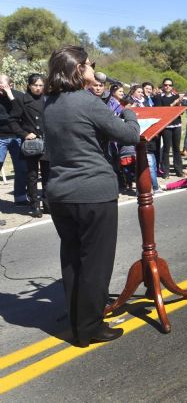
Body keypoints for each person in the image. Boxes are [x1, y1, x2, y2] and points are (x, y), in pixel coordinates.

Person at [43, 46, 140, 347]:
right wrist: (130, 113)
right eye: (89, 64)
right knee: (96, 264)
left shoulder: (50, 102)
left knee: (72, 260)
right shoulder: (87, 101)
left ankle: (77, 323)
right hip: (92, 192)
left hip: (60, 193)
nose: (93, 69)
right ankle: (90, 327)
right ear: (77, 69)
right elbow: (129, 135)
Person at [16, 74, 49, 217]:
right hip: (32, 143)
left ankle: (47, 204)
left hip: (47, 142)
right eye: (35, 85)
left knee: (48, 175)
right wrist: (24, 134)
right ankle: (34, 205)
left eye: (41, 85)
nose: (38, 88)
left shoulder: (47, 99)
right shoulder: (22, 100)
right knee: (32, 175)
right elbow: (13, 121)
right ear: (29, 86)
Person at [0, 74, 29, 206]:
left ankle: (20, 197)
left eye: (2, 85)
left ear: (10, 85)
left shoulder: (18, 96)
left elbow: (21, 112)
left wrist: (10, 95)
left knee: (21, 168)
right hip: (0, 137)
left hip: (17, 137)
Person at [153, 78, 183, 178]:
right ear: (163, 86)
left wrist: (179, 103)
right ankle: (165, 171)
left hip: (176, 124)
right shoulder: (158, 97)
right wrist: (173, 104)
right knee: (166, 148)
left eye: (170, 85)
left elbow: (181, 112)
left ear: (172, 87)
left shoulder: (176, 96)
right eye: (165, 85)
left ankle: (179, 170)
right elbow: (161, 111)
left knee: (176, 148)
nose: (167, 87)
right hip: (166, 125)